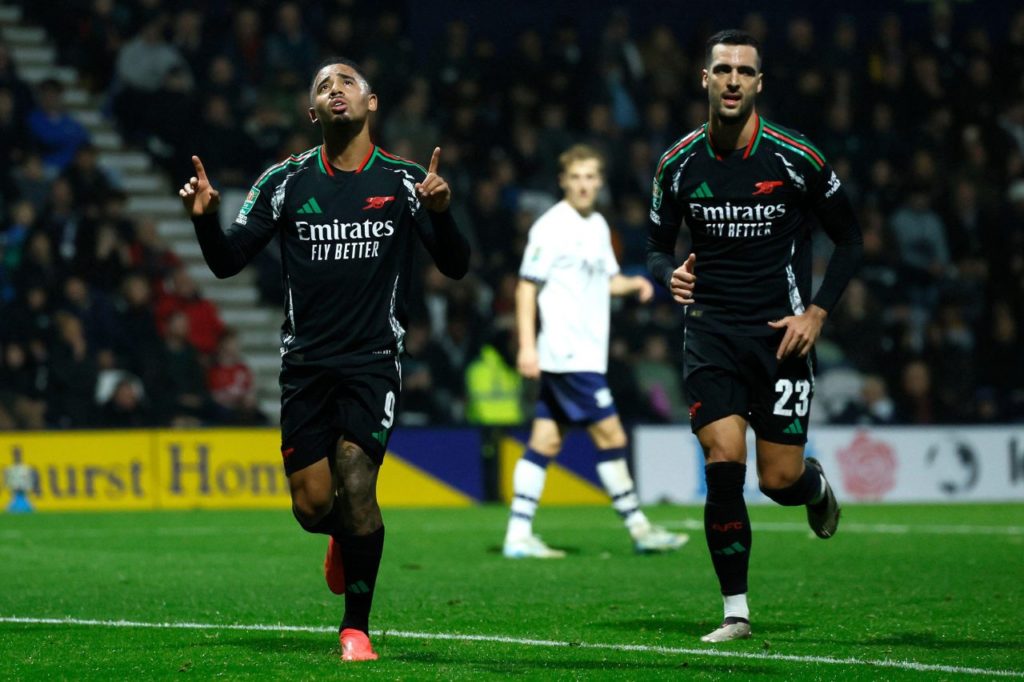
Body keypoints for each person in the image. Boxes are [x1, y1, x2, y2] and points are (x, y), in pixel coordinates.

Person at [178, 57, 469, 661]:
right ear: (312, 113)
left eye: (346, 82)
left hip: (371, 360)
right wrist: (206, 223)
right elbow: (228, 261)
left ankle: (355, 628)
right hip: (305, 364)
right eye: (321, 87)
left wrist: (441, 213)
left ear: (371, 102)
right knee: (315, 507)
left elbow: (455, 264)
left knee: (357, 478)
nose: (334, 90)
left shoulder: (405, 179)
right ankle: (341, 536)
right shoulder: (284, 182)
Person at [646, 30, 862, 643]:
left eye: (744, 71)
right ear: (705, 80)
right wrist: (670, 276)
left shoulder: (797, 157)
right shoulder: (678, 164)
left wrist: (817, 312)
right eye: (722, 69)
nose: (733, 79)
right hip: (710, 333)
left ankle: (812, 485)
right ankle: (735, 611)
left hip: (781, 338)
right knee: (722, 460)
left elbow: (851, 239)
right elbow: (657, 247)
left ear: (759, 83)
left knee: (776, 480)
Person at [503, 144, 689, 559]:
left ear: (599, 182)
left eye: (591, 177)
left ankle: (517, 534)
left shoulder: (599, 227)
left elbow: (607, 280)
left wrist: (635, 284)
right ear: (563, 181)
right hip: (567, 353)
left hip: (585, 353)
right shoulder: (550, 227)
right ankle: (639, 528)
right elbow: (526, 286)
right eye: (576, 177)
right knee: (612, 435)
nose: (584, 185)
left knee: (545, 442)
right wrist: (528, 347)